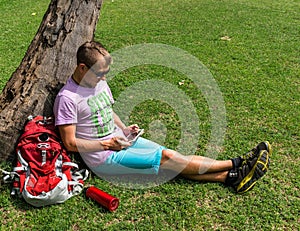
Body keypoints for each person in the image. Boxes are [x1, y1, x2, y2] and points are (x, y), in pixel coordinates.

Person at [53, 41, 271, 193]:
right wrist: (106, 143)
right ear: (82, 68)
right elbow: (70, 143)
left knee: (173, 158)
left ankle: (232, 178)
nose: (103, 78)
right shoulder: (68, 98)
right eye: (100, 73)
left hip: (121, 141)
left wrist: (124, 128)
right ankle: (239, 162)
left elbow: (108, 110)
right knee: (168, 159)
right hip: (104, 159)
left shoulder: (99, 83)